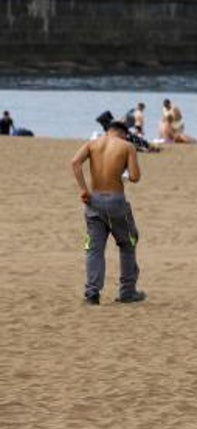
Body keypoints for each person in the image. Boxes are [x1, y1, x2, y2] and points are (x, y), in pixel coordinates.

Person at [70, 120, 146, 305]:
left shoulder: (92, 144)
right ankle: (127, 291)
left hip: (94, 200)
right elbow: (135, 177)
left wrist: (83, 189)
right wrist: (123, 172)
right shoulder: (127, 146)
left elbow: (75, 162)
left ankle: (92, 293)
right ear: (123, 133)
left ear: (108, 131)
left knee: (94, 249)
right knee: (128, 242)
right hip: (115, 201)